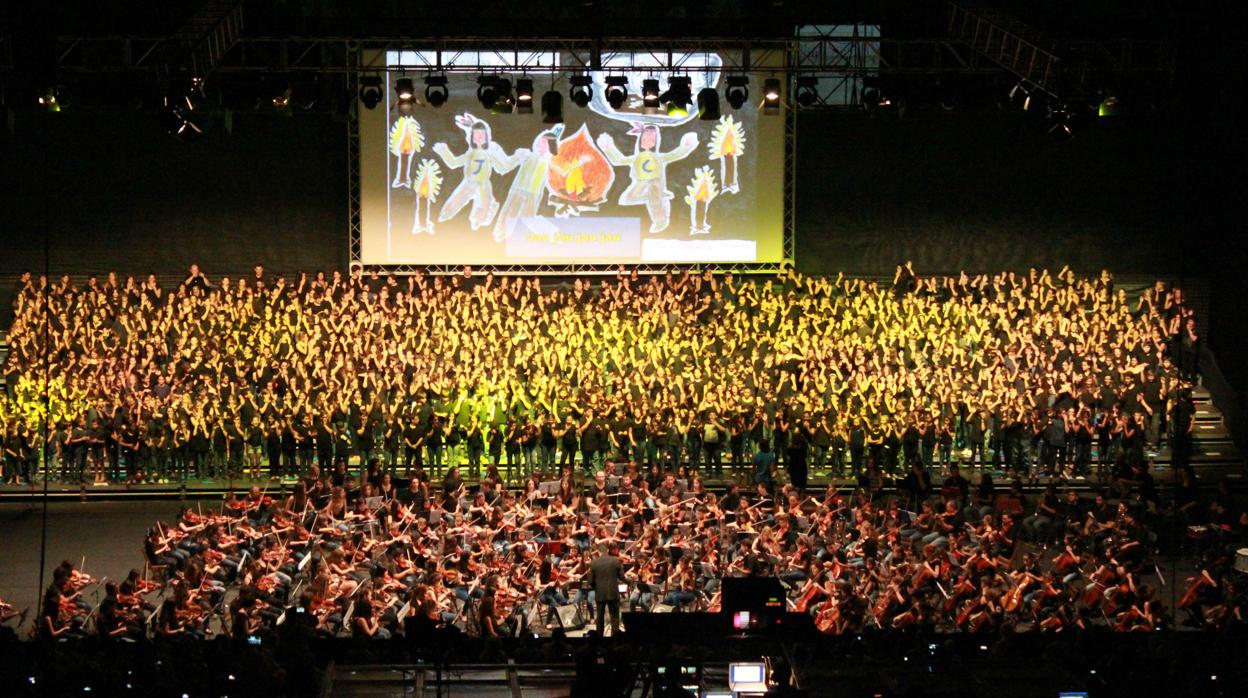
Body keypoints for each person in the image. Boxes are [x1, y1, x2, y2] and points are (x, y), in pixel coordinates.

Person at [589, 543, 623, 637]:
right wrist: (629, 582)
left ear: (598, 552)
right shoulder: (615, 560)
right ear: (607, 550)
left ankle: (599, 637)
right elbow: (621, 577)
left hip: (600, 593)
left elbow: (590, 581)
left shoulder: (594, 562)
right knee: (614, 616)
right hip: (613, 592)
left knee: (600, 617)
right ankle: (615, 637)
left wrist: (597, 587)